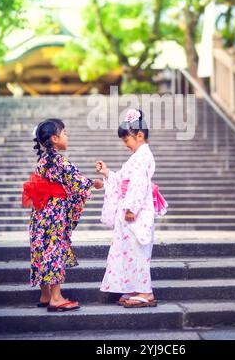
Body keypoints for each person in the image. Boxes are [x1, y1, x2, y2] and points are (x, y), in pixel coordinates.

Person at [22, 118, 103, 312]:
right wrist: (95, 183)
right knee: (54, 250)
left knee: (41, 249)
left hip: (40, 213)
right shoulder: (59, 161)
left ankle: (45, 295)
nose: (68, 136)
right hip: (54, 213)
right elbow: (77, 181)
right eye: (65, 133)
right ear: (55, 138)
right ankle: (56, 298)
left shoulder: (42, 161)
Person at [96, 108, 167, 308]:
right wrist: (108, 173)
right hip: (133, 210)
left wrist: (131, 208)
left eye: (127, 140)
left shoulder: (143, 156)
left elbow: (138, 183)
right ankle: (136, 288)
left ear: (140, 135)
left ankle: (146, 292)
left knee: (138, 251)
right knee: (131, 251)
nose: (125, 144)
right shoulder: (138, 156)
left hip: (136, 211)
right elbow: (122, 179)